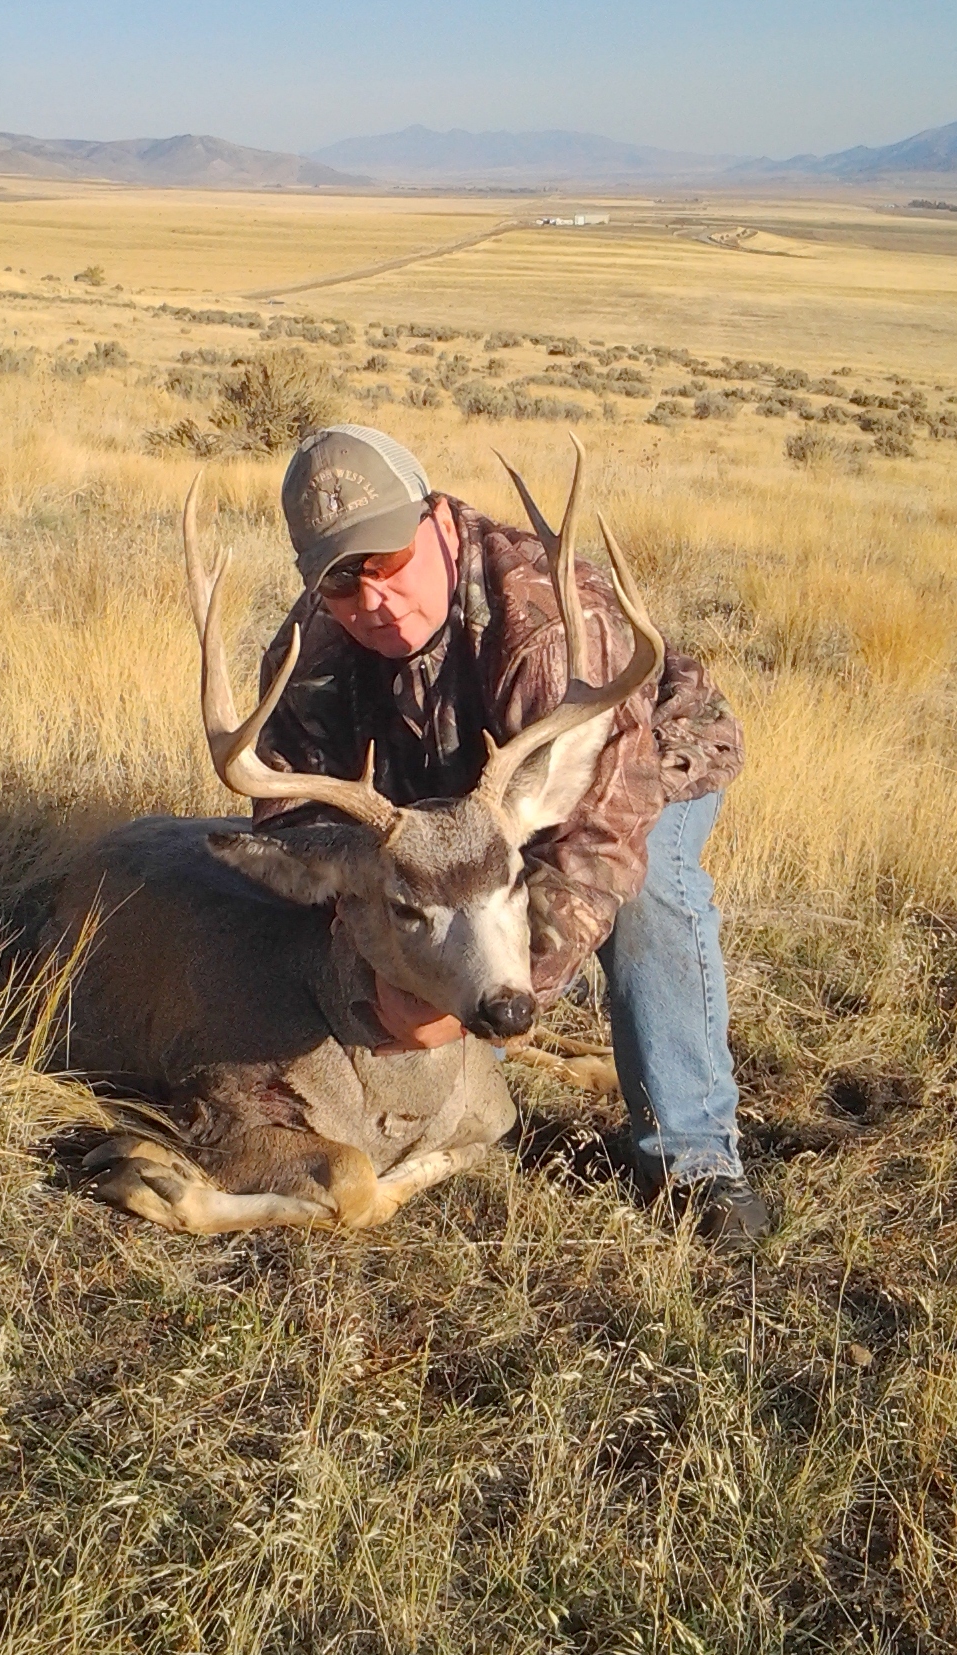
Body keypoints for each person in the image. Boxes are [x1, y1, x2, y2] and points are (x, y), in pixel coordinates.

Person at [250, 424, 768, 1243]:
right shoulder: (313, 644)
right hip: (457, 807)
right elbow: (298, 828)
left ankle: (691, 1152)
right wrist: (376, 944)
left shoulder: (544, 624)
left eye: (387, 560)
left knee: (645, 894)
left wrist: (490, 1000)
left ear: (435, 521)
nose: (371, 600)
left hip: (635, 762)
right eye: (341, 581)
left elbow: (597, 840)